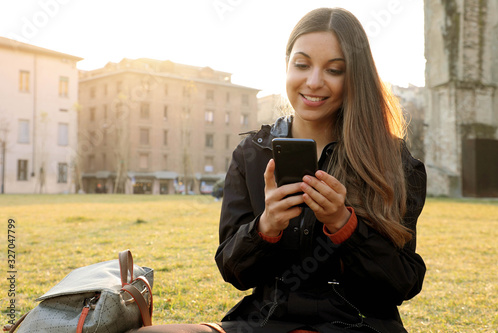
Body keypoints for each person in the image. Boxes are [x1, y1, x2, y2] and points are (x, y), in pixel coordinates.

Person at [131, 7, 426, 333]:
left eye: (334, 70)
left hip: (358, 324)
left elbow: (403, 283)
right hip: (266, 322)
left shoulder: (390, 159)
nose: (313, 82)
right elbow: (234, 271)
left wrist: (344, 225)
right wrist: (266, 227)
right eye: (302, 65)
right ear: (287, 66)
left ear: (354, 76)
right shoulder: (252, 153)